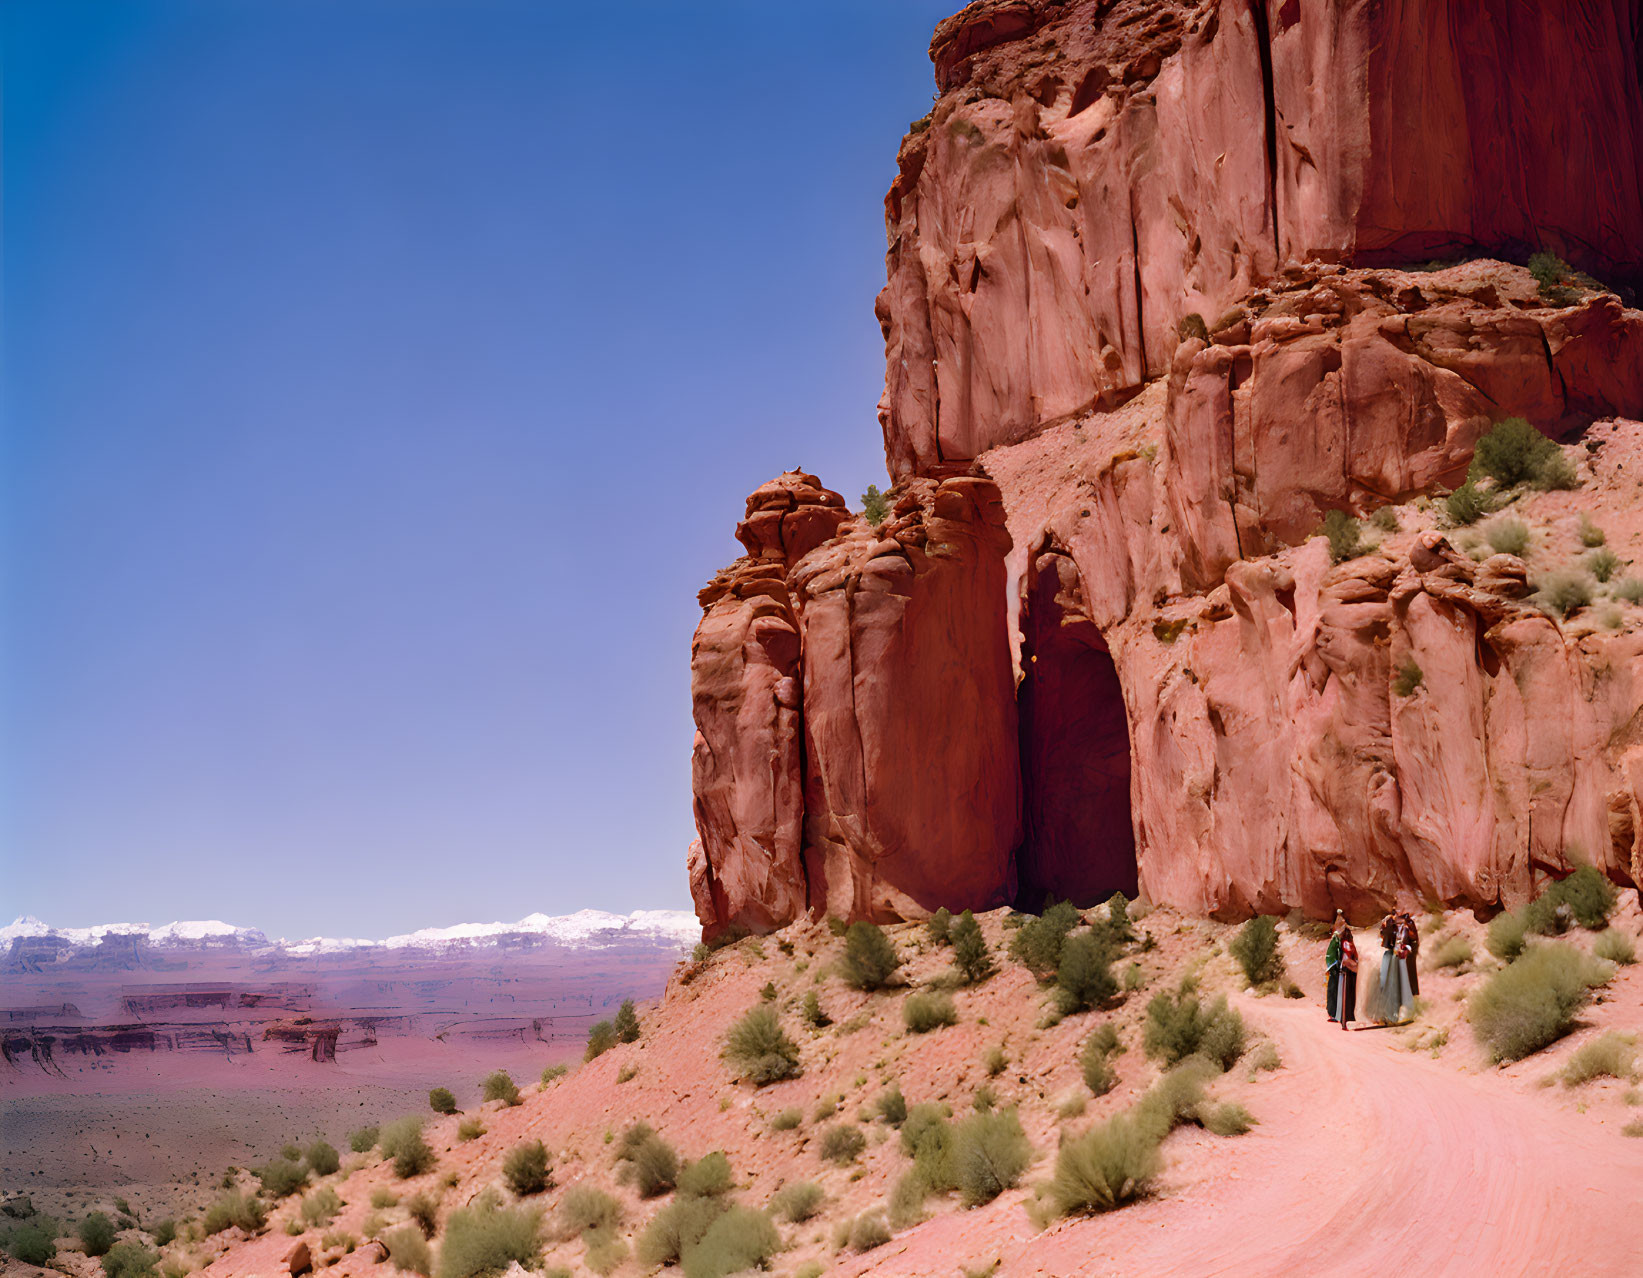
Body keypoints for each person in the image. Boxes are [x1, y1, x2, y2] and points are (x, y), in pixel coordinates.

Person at [1335, 929, 1359, 1030]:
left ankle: (1346, 1019)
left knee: (1348, 996)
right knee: (1347, 995)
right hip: (1348, 971)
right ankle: (1345, 1019)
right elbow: (1348, 958)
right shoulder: (1347, 945)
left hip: (1349, 971)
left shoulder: (1346, 945)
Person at [1324, 912, 1346, 1022]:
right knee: (1333, 989)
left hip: (1338, 967)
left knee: (1335, 990)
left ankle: (1336, 1013)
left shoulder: (1339, 939)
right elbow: (1331, 954)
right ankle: (1333, 1012)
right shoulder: (1336, 938)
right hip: (1335, 967)